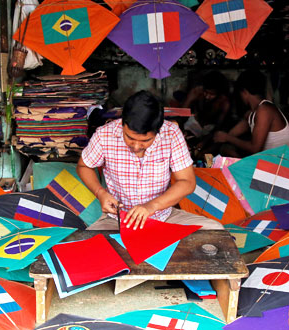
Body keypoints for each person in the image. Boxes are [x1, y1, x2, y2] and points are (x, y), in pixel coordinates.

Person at [77, 90, 224, 230]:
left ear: (158, 130)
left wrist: (151, 207)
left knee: (215, 230)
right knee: (86, 246)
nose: (135, 146)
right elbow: (84, 166)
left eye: (145, 141)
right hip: (117, 220)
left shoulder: (171, 134)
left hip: (162, 217)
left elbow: (187, 182)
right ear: (123, 124)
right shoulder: (105, 135)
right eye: (129, 138)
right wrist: (100, 193)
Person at [214, 69, 289, 156]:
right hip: (273, 160)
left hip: (284, 163)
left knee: (229, 150)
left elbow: (254, 148)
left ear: (244, 92)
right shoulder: (252, 113)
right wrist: (222, 138)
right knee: (226, 149)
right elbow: (230, 134)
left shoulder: (264, 110)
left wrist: (227, 138)